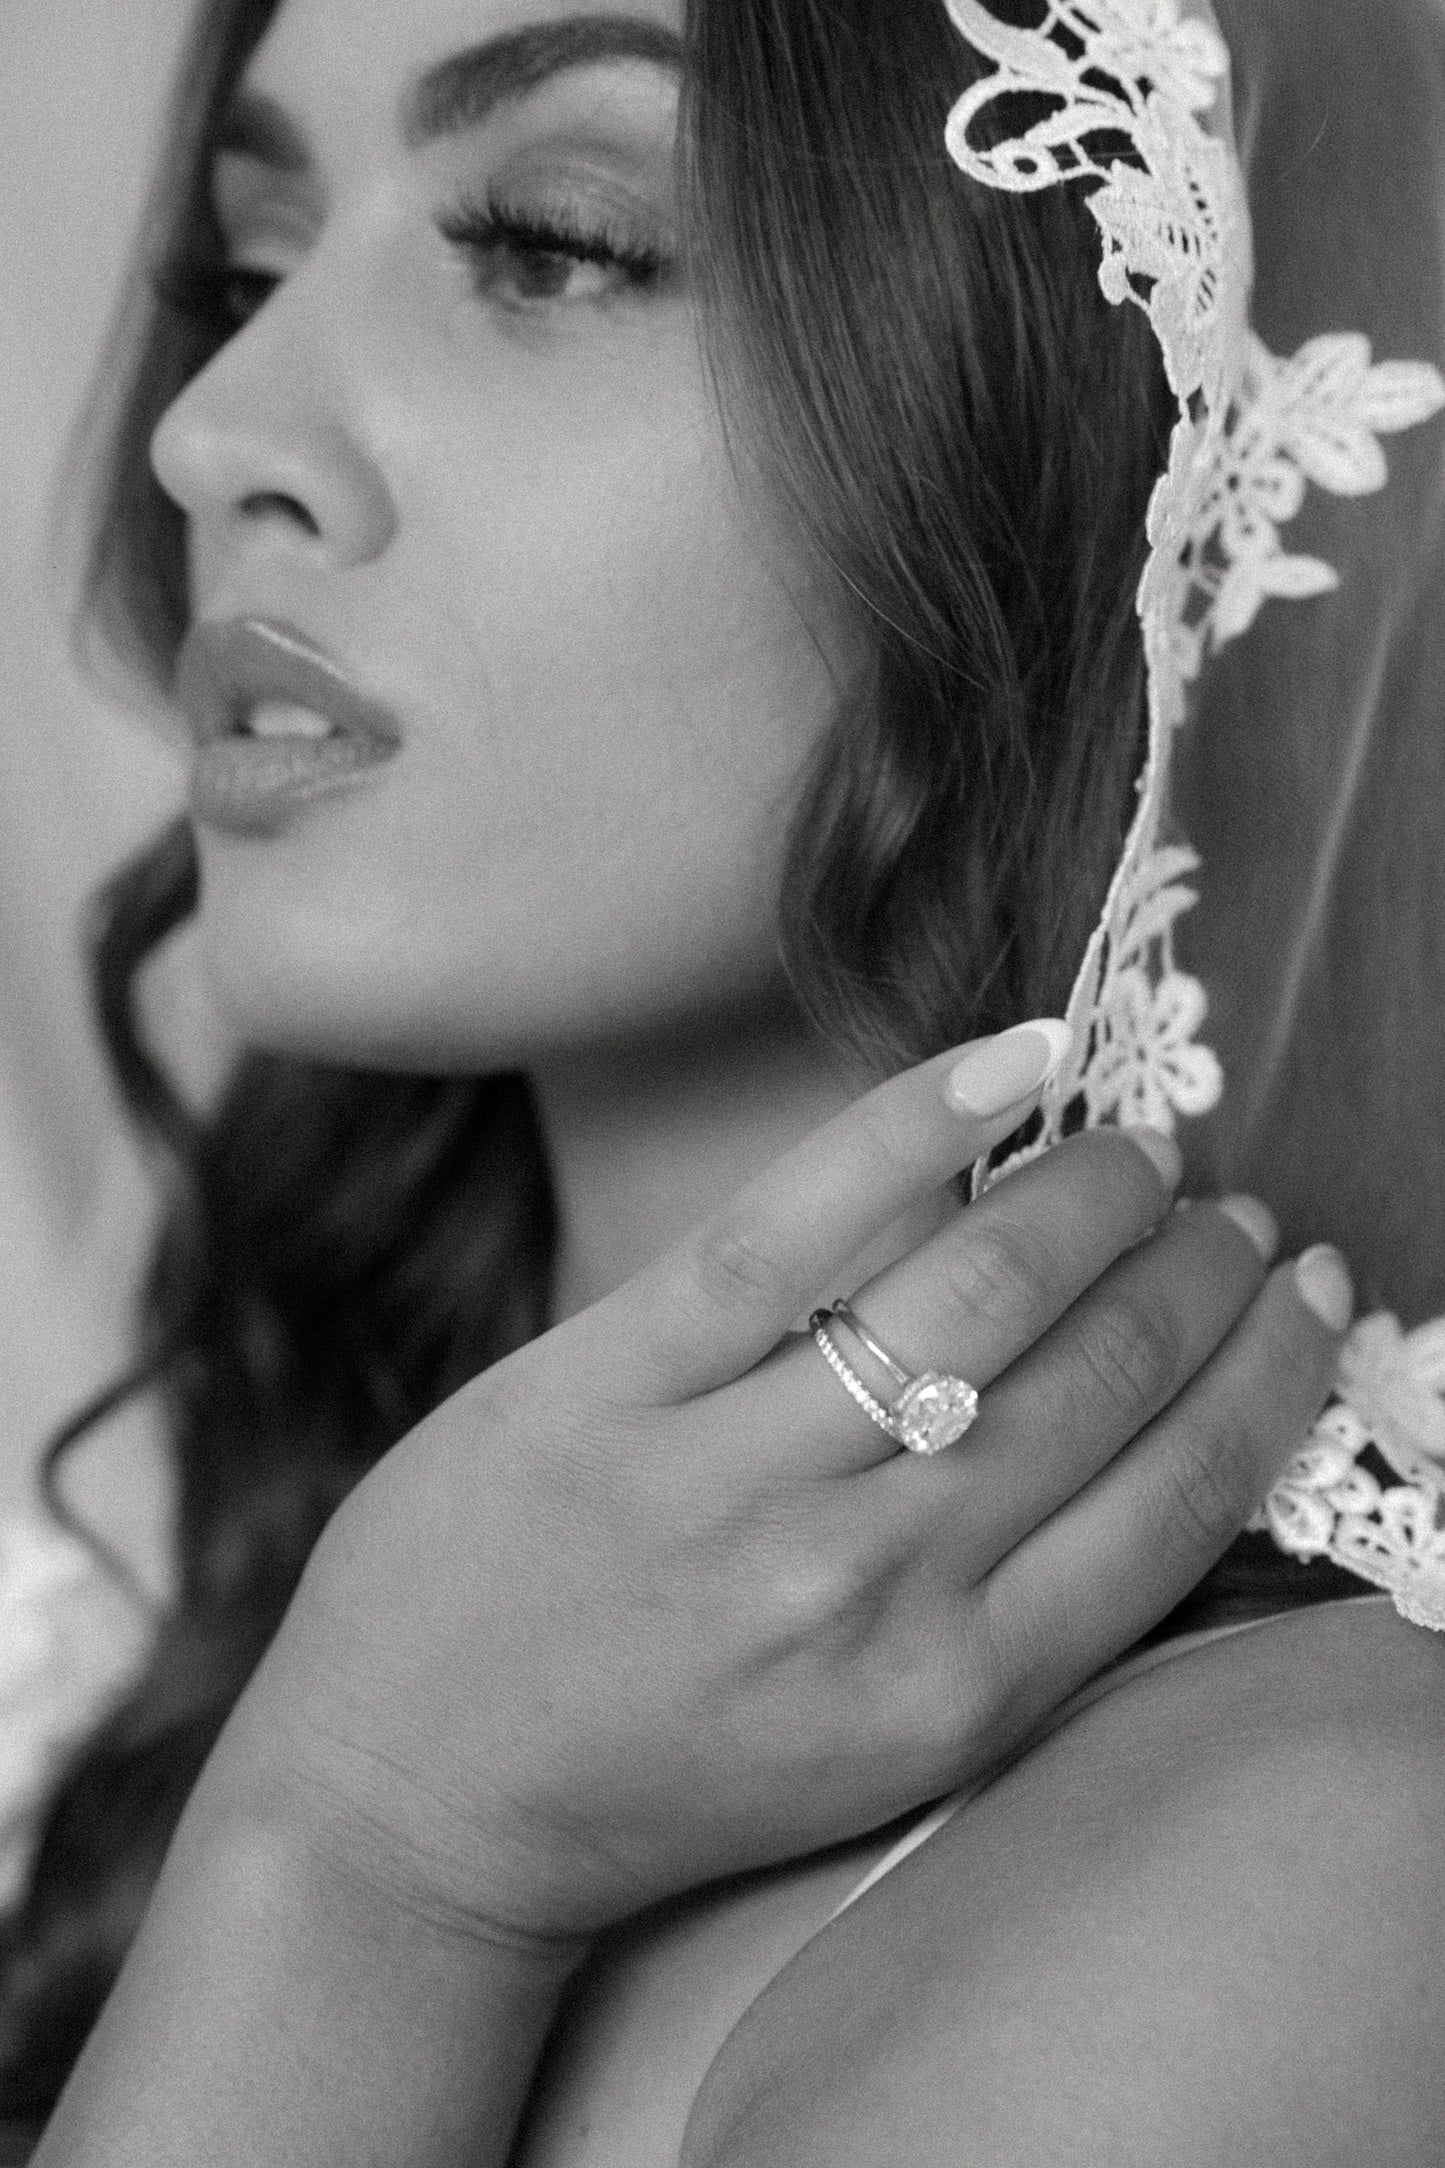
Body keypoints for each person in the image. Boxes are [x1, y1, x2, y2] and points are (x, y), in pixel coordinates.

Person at [5, 0, 1445, 2159]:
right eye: (241, 267)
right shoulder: (146, 1644)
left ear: (1110, 416)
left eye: (553, 242)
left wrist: (367, 1862)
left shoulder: (1292, 1872)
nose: (214, 433)